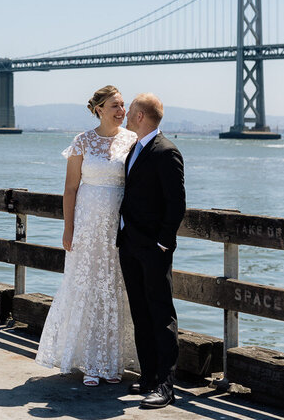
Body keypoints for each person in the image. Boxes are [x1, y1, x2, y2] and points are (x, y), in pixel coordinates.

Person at [35, 85, 138, 386]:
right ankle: (90, 363)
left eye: (123, 105)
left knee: (115, 289)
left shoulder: (132, 141)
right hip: (87, 226)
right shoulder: (82, 141)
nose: (122, 111)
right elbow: (70, 189)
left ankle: (112, 363)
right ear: (99, 109)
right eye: (115, 106)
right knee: (88, 287)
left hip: (118, 227)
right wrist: (68, 228)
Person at [118, 92, 186, 409]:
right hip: (129, 244)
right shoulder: (134, 147)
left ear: (141, 115)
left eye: (130, 110)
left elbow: (176, 204)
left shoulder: (166, 152)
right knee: (140, 313)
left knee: (161, 315)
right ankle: (147, 377)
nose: (126, 114)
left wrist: (163, 242)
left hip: (153, 249)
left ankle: (165, 384)